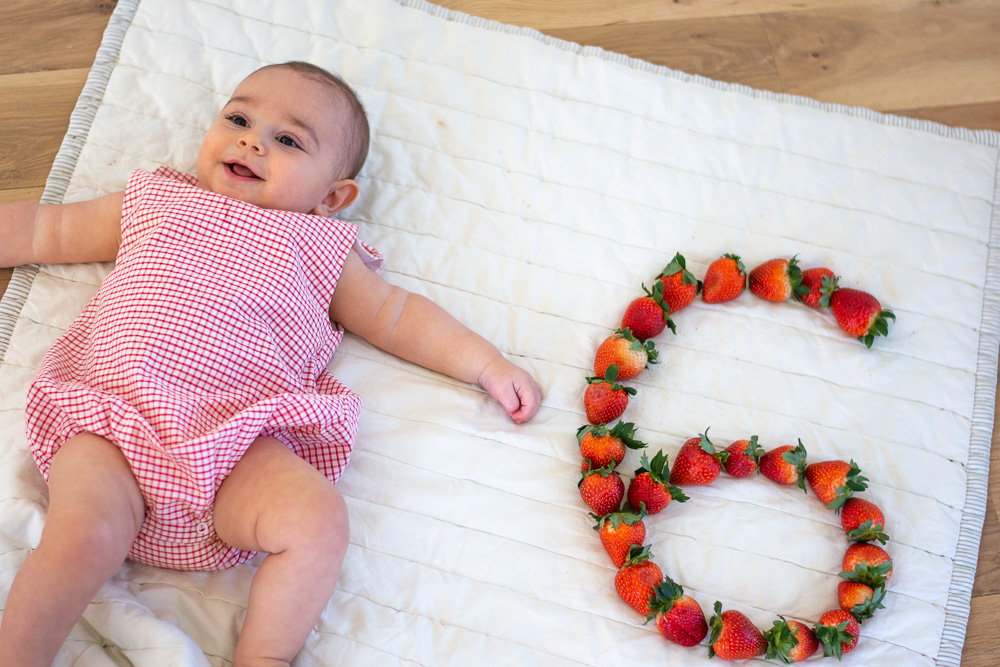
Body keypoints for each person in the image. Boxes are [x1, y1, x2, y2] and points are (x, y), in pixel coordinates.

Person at [0, 61, 542, 666]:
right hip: (114, 420)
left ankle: (264, 657)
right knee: (83, 538)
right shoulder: (157, 198)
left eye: (288, 140)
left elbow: (397, 315)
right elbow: (48, 228)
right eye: (238, 118)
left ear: (331, 197)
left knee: (318, 521)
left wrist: (486, 363)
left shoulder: (320, 248)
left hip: (233, 447)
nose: (252, 140)